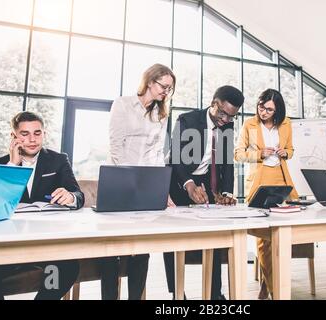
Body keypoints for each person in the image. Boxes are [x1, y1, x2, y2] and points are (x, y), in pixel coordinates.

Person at [0, 111, 82, 300]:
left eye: (37, 133)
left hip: (45, 247)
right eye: (25, 134)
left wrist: (71, 197)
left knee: (66, 267)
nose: (32, 139)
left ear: (44, 133)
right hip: (6, 248)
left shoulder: (58, 160)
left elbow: (78, 194)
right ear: (14, 137)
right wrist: (12, 165)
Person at [102, 63, 176, 300]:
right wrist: (128, 180)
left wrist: (160, 188)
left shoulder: (160, 114)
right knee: (111, 250)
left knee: (141, 249)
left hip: (144, 184)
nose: (166, 91)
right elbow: (116, 146)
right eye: (164, 86)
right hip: (119, 180)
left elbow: (156, 152)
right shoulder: (123, 104)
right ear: (150, 81)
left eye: (170, 88)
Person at [165, 85, 244, 300]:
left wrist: (226, 192)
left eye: (231, 117)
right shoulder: (187, 120)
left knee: (216, 236)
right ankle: (177, 293)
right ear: (214, 103)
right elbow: (176, 158)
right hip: (178, 180)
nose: (226, 120)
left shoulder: (227, 126)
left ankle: (215, 293)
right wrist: (189, 184)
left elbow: (227, 163)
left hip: (205, 182)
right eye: (223, 114)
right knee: (173, 239)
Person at [234, 88, 299, 299]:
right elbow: (238, 154)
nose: (263, 112)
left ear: (277, 110)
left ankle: (268, 283)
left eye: (269, 109)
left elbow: (291, 150)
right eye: (261, 107)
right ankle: (272, 286)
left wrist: (285, 153)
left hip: (282, 181)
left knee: (281, 235)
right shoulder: (249, 124)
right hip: (259, 184)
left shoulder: (286, 123)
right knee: (263, 238)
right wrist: (259, 154)